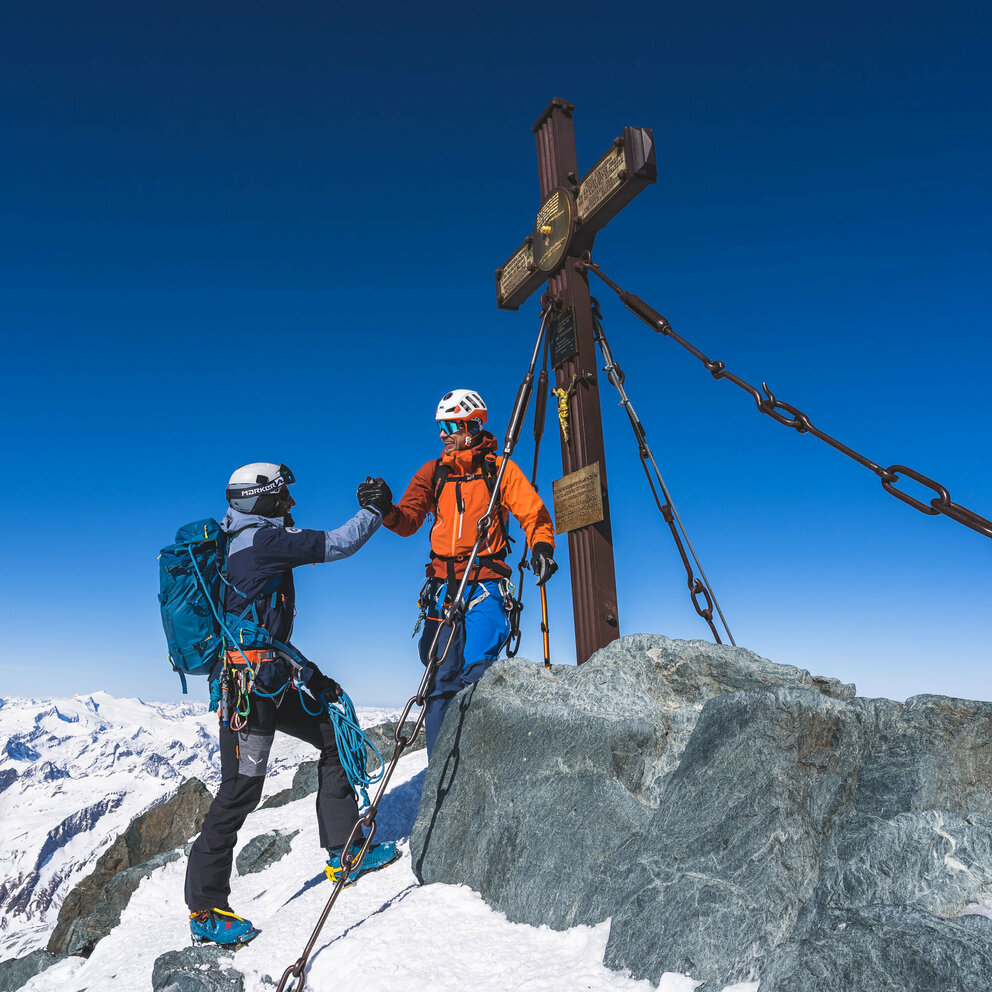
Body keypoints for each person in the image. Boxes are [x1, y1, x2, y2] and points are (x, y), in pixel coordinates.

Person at [185, 462, 398, 946]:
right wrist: (374, 510)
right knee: (240, 791)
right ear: (259, 500)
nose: (291, 505)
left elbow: (259, 630)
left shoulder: (239, 542)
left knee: (332, 735)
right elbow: (338, 544)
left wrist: (311, 676)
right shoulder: (262, 542)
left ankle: (346, 850)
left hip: (267, 682)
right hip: (251, 694)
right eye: (283, 497)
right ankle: (205, 909)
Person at [360, 389, 557, 756]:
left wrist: (542, 545)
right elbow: (408, 520)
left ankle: (477, 766)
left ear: (472, 426)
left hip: (485, 583)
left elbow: (533, 514)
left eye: (450, 425)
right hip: (443, 587)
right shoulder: (433, 473)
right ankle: (440, 770)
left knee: (477, 674)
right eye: (441, 426)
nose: (442, 434)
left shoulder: (500, 471)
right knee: (441, 680)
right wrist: (386, 508)